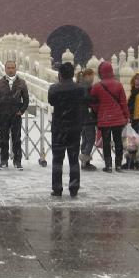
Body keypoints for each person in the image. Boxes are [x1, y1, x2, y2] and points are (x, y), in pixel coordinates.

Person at [47, 62, 86, 197]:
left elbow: (51, 102)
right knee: (74, 159)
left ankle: (57, 188)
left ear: (60, 75)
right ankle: (74, 188)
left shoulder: (54, 89)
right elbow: (83, 102)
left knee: (57, 159)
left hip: (59, 128)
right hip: (74, 128)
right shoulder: (80, 89)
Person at [88, 61, 130, 173]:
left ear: (101, 72)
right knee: (118, 142)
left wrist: (98, 110)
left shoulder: (97, 86)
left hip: (104, 118)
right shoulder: (118, 84)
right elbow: (123, 102)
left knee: (106, 142)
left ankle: (108, 165)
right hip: (118, 119)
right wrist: (127, 116)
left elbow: (92, 102)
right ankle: (119, 165)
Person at [0, 60, 30, 170]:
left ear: (16, 69)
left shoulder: (21, 83)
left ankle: (17, 161)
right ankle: (3, 161)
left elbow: (26, 100)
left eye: (12, 67)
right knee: (3, 139)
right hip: (3, 115)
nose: (10, 70)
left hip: (15, 115)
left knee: (16, 139)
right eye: (8, 67)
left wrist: (21, 110)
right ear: (5, 69)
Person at [77, 68, 98, 171]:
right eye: (92, 76)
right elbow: (87, 98)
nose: (93, 78)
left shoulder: (79, 85)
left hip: (80, 116)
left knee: (85, 138)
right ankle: (86, 159)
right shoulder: (87, 87)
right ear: (87, 76)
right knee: (90, 138)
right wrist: (94, 99)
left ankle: (84, 161)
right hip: (87, 115)